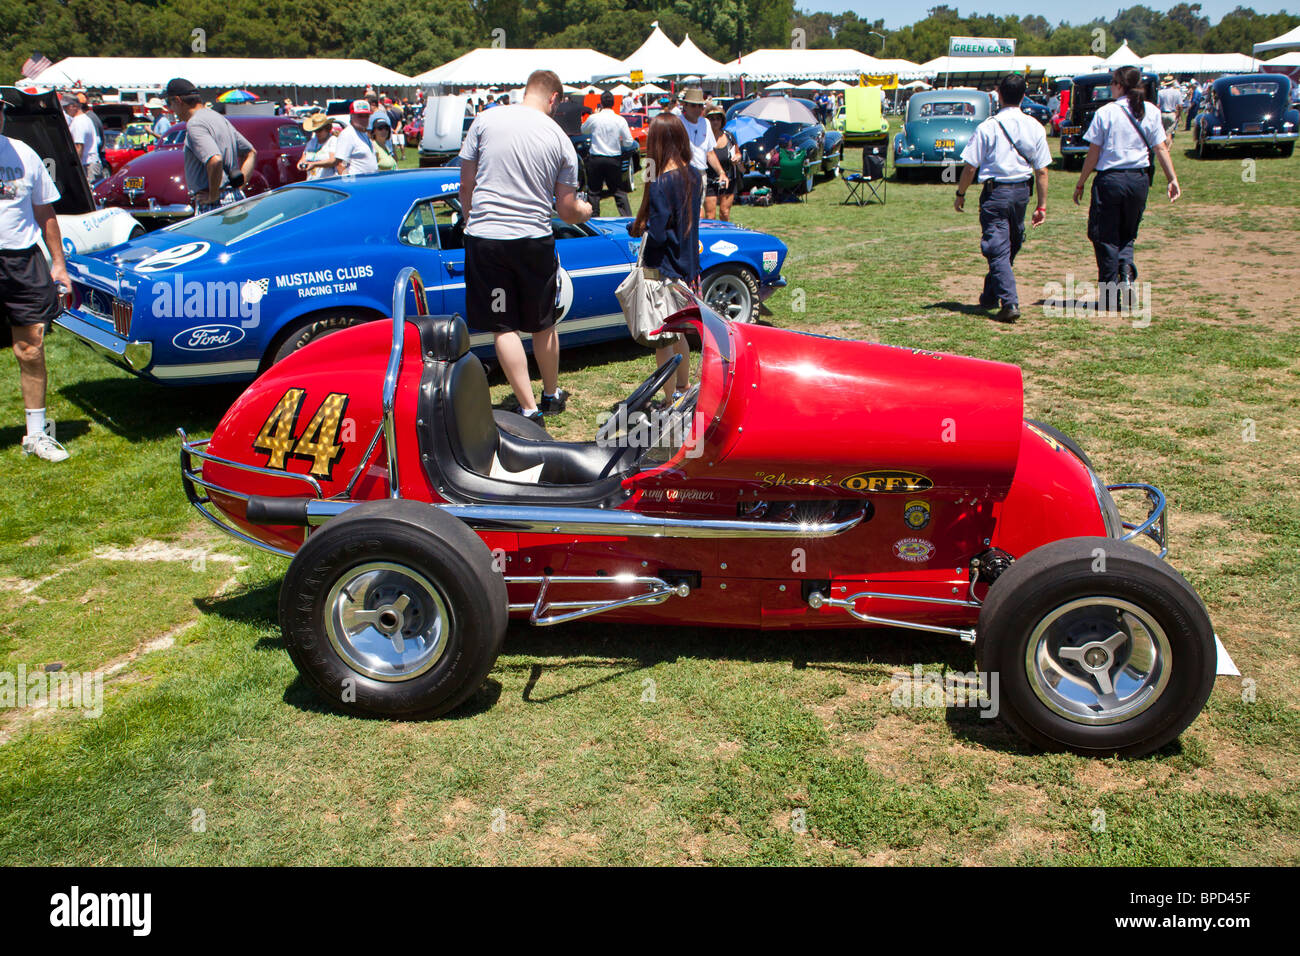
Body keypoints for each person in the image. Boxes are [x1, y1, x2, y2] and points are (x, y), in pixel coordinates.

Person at [458, 69, 593, 426]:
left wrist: (474, 222)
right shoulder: (560, 138)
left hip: (488, 240)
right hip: (533, 240)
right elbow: (567, 209)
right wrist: (586, 210)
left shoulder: (484, 121)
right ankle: (550, 394)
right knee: (543, 323)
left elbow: (466, 186)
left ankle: (529, 408)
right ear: (554, 98)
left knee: (503, 326)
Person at [1073, 65, 1181, 311]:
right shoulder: (1151, 111)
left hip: (1110, 180)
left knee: (1105, 237)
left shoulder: (1107, 112)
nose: (1110, 87)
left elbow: (1094, 152)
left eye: (1112, 82)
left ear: (1120, 85)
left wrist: (1081, 181)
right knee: (1127, 234)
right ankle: (1126, 274)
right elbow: (1161, 148)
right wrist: (1171, 178)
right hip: (1138, 180)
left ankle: (1111, 294)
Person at [1, 93, 71, 461]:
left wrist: (58, 264)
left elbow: (45, 213)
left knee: (30, 348)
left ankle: (36, 434)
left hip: (21, 263)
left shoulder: (23, 153)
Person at [953, 73, 1052, 323]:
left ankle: (1009, 302)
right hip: (1021, 193)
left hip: (996, 193)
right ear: (1023, 96)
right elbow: (1042, 170)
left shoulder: (988, 126)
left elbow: (970, 167)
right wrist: (1042, 205)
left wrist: (960, 193)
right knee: (1007, 246)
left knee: (998, 249)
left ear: (999, 95)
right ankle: (990, 295)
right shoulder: (1035, 126)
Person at [629, 114, 700, 404]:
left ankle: (670, 399)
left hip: (663, 268)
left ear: (657, 142)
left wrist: (640, 230)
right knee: (680, 332)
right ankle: (683, 387)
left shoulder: (660, 181)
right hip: (689, 266)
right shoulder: (694, 173)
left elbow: (658, 233)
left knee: (663, 339)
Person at [164, 77, 257, 214]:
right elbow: (251, 152)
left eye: (169, 103)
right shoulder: (218, 117)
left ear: (178, 100)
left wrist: (213, 196)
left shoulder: (195, 123)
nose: (170, 109)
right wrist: (239, 188)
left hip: (215, 204)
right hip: (235, 197)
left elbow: (215, 159)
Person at [581, 91, 635, 216]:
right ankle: (627, 218)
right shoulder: (619, 120)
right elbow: (628, 141)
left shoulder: (594, 118)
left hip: (596, 158)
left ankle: (594, 219)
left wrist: (594, 114)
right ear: (613, 103)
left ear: (600, 103)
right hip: (613, 158)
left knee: (594, 192)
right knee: (618, 191)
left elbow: (583, 130)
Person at [676, 89, 728, 200]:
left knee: (697, 211)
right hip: (681, 174)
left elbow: (709, 152)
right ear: (685, 105)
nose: (697, 109)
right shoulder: (677, 123)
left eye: (700, 106)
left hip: (701, 174)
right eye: (693, 105)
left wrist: (721, 172)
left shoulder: (706, 123)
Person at [703, 103, 739, 221]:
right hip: (709, 179)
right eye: (712, 119)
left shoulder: (729, 136)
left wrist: (737, 157)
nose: (715, 122)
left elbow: (737, 153)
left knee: (724, 212)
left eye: (718, 119)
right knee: (710, 214)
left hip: (728, 178)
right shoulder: (704, 137)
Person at [60, 96, 101, 186]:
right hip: (92, 162)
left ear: (74, 106)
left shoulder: (78, 123)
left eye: (66, 107)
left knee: (89, 193)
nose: (64, 110)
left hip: (87, 165)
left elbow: (79, 147)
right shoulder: (85, 119)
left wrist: (74, 167)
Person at [333, 100, 378, 176]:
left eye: (366, 116)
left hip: (369, 181)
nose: (364, 119)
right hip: (357, 183)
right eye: (360, 116)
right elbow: (340, 164)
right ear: (352, 116)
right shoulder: (347, 134)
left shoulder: (363, 133)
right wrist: (349, 183)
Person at [298, 113, 337, 179]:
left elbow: (333, 160)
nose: (317, 133)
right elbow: (303, 158)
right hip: (311, 181)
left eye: (319, 130)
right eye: (315, 130)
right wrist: (300, 164)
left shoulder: (333, 141)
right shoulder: (311, 142)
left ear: (327, 129)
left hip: (327, 181)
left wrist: (314, 164)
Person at [1158, 75, 1182, 141]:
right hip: (1172, 113)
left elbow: (1158, 105)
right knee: (1169, 133)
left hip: (1162, 113)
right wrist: (1179, 115)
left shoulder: (1160, 92)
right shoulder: (1177, 92)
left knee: (1162, 132)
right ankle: (1167, 149)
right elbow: (1180, 105)